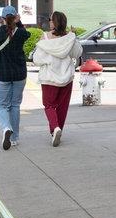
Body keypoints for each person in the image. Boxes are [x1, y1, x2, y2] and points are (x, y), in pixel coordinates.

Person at [0, 6, 30, 150]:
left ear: (1, 19)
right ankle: (14, 138)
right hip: (20, 74)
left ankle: (6, 128)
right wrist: (19, 23)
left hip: (1, 75)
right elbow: (26, 34)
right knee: (15, 105)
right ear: (16, 17)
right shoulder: (21, 34)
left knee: (1, 105)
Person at [31, 11, 82, 147]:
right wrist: (74, 37)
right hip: (66, 78)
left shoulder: (45, 38)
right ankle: (57, 131)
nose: (49, 22)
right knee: (62, 106)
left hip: (49, 78)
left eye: (50, 19)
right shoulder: (70, 38)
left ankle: (55, 129)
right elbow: (77, 53)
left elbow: (37, 59)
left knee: (49, 105)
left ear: (54, 22)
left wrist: (48, 59)